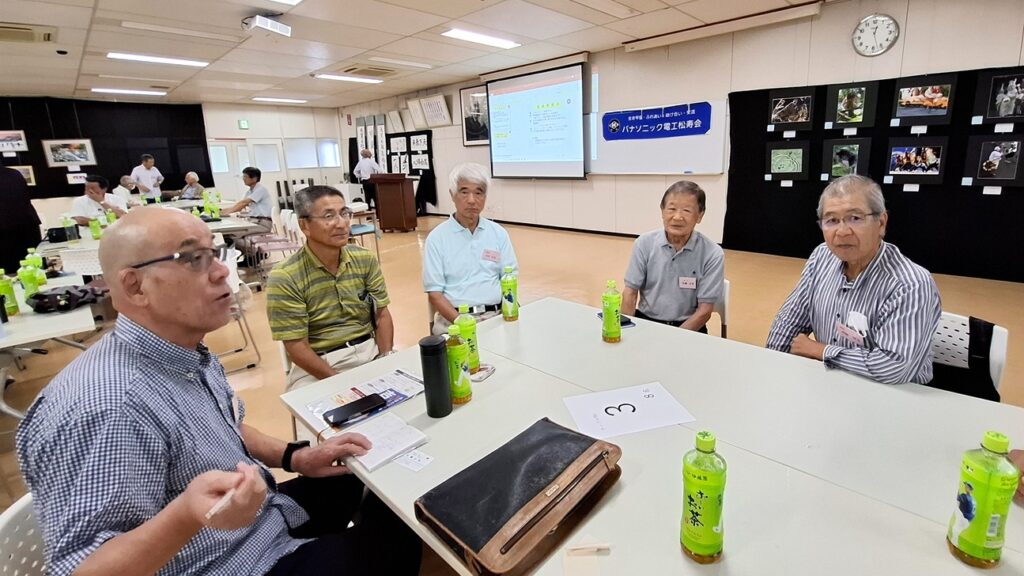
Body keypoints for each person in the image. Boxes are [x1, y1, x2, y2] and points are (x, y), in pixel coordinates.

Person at [16, 206, 421, 576]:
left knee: (383, 477)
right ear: (135, 287)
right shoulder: (111, 406)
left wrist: (295, 456)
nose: (222, 272)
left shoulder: (183, 351)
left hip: (262, 520)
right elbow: (83, 570)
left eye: (216, 253)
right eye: (193, 258)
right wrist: (186, 515)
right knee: (408, 533)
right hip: (228, 560)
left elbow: (225, 426)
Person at [766, 175, 941, 385]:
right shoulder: (822, 257)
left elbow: (894, 368)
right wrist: (771, 367)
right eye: (831, 220)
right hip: (831, 383)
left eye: (855, 218)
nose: (842, 232)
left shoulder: (910, 284)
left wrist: (821, 351)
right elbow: (790, 321)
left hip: (895, 393)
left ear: (881, 223)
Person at [267, 185, 394, 391]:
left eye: (344, 213)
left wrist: (385, 359)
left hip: (369, 352)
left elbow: (382, 315)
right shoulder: (286, 276)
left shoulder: (364, 259)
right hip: (318, 366)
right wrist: (341, 384)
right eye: (328, 216)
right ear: (304, 225)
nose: (341, 224)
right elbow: (296, 346)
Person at [423, 163, 518, 335]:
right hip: (453, 322)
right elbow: (434, 294)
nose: (472, 200)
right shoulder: (437, 239)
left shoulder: (498, 233)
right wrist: (462, 323)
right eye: (464, 192)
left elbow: (509, 278)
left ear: (485, 197)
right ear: (452, 195)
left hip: (496, 316)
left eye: (478, 192)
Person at [621, 181, 724, 332]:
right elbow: (630, 293)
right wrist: (626, 330)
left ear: (700, 215)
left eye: (686, 211)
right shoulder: (644, 243)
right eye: (671, 209)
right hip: (646, 321)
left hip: (689, 326)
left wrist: (673, 338)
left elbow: (704, 311)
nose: (677, 217)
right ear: (662, 211)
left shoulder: (712, 253)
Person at [0, 159, 42, 273]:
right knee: (34, 268)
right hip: (27, 226)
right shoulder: (14, 173)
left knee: (8, 273)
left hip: (6, 232)